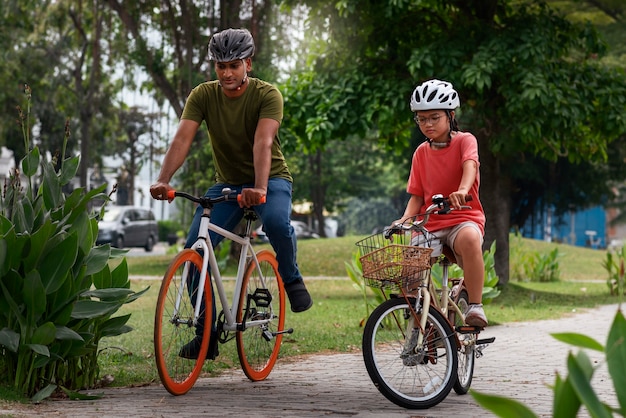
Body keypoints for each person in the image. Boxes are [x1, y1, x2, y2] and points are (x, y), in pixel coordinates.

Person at [150, 28, 313, 359]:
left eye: (233, 65)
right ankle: (205, 333)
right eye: (220, 66)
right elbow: (182, 139)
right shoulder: (202, 95)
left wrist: (261, 187)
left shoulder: (268, 95)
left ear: (248, 64)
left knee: (278, 225)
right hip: (226, 183)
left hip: (271, 179)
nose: (226, 73)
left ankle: (292, 278)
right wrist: (164, 179)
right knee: (195, 252)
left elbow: (263, 142)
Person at [392, 79, 487, 327]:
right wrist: (403, 221)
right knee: (413, 258)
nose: (428, 124)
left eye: (434, 117)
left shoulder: (466, 141)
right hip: (430, 223)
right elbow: (416, 196)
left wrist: (462, 190)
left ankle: (475, 306)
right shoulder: (421, 153)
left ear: (450, 116)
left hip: (463, 217)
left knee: (468, 238)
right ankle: (428, 318)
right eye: (422, 119)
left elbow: (470, 165)